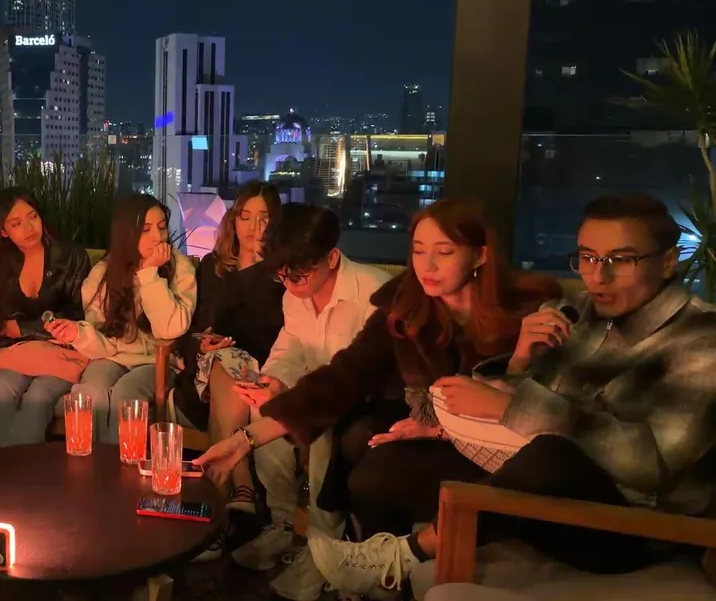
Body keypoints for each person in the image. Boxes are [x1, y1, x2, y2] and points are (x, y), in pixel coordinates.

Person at [301, 193, 716, 598]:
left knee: (550, 454)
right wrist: (518, 363)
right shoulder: (579, 311)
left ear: (668, 260)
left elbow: (654, 466)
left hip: (631, 524)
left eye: (621, 260)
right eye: (588, 257)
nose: (597, 277)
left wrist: (512, 405)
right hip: (542, 485)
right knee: (381, 472)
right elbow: (526, 412)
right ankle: (381, 580)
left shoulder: (701, 339)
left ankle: (410, 552)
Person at [196, 197, 562, 593]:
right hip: (433, 431)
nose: (427, 265)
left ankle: (376, 563)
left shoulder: (527, 311)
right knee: (365, 463)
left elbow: (548, 420)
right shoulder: (405, 307)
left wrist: (514, 365)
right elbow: (344, 376)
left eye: (444, 252)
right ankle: (362, 568)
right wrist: (243, 441)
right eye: (418, 251)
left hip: (503, 450)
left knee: (369, 466)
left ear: (479, 255)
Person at [219, 204, 392, 600]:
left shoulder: (372, 293)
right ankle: (282, 524)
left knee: (323, 429)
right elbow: (292, 346)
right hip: (319, 394)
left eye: (298, 274)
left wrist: (297, 397)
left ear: (332, 257)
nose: (289, 282)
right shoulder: (295, 296)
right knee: (265, 406)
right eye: (280, 274)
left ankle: (321, 547)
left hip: (369, 403)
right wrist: (274, 381)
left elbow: (374, 375)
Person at [167, 182, 284, 561]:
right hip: (205, 375)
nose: (254, 227)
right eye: (245, 217)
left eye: (264, 219)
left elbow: (283, 337)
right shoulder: (211, 268)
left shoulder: (282, 275)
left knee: (230, 363)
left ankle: (216, 514)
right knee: (222, 360)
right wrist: (202, 344)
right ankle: (242, 484)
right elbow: (190, 330)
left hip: (259, 372)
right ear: (234, 221)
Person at [47, 194, 197, 444]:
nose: (157, 237)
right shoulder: (104, 274)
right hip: (111, 357)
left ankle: (119, 466)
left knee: (126, 395)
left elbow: (170, 330)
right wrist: (78, 335)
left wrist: (149, 273)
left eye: (161, 227)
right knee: (91, 392)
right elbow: (104, 341)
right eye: (145, 230)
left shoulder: (179, 267)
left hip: (157, 362)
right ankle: (89, 464)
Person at [0, 187, 91, 448]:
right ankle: (2, 467)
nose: (29, 228)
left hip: (62, 351)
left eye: (32, 217)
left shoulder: (71, 257)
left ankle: (21, 468)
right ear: (4, 231)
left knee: (38, 397)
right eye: (16, 223)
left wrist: (22, 327)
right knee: (0, 390)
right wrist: (10, 328)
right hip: (18, 352)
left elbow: (80, 315)